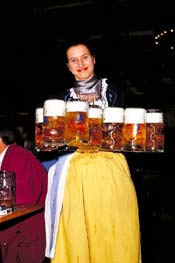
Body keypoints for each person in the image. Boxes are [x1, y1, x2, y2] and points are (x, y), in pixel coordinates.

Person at [44, 38, 142, 262]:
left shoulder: (114, 93)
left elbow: (122, 135)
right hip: (74, 172)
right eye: (73, 60)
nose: (80, 63)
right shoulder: (59, 100)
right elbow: (52, 143)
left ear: (94, 60)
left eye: (85, 57)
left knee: (117, 231)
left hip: (110, 167)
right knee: (77, 234)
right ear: (68, 66)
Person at [0, 120, 48, 263]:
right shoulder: (6, 157)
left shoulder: (20, 157)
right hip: (12, 237)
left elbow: (25, 197)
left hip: (25, 239)